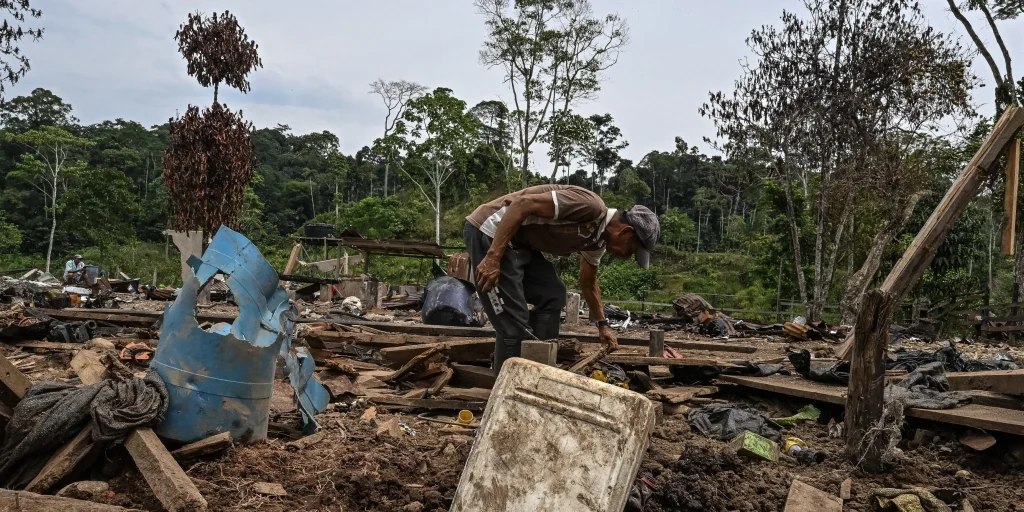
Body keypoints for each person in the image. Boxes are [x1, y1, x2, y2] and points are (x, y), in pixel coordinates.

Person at [464, 184, 660, 372]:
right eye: (631, 250)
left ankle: (539, 366)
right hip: (490, 231)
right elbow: (522, 203)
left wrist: (603, 326)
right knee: (513, 323)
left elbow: (589, 283)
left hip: (519, 244)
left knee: (553, 294)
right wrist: (493, 256)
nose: (626, 255)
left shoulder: (597, 243)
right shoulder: (589, 206)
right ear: (625, 231)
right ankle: (507, 387)